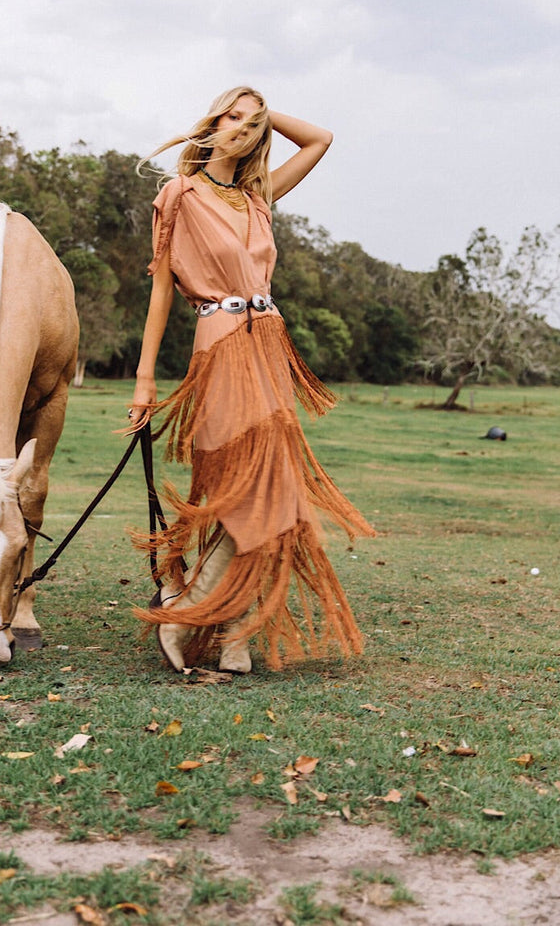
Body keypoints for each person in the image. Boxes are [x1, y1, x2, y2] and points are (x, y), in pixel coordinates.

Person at [127, 86, 375, 673]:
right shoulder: (179, 194)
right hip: (219, 345)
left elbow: (321, 139)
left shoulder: (258, 196)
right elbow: (161, 291)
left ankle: (229, 626)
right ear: (213, 120)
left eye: (251, 123)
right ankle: (203, 609)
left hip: (269, 348)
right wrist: (144, 379)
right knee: (252, 491)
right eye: (231, 116)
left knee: (276, 493)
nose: (239, 128)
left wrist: (265, 113)